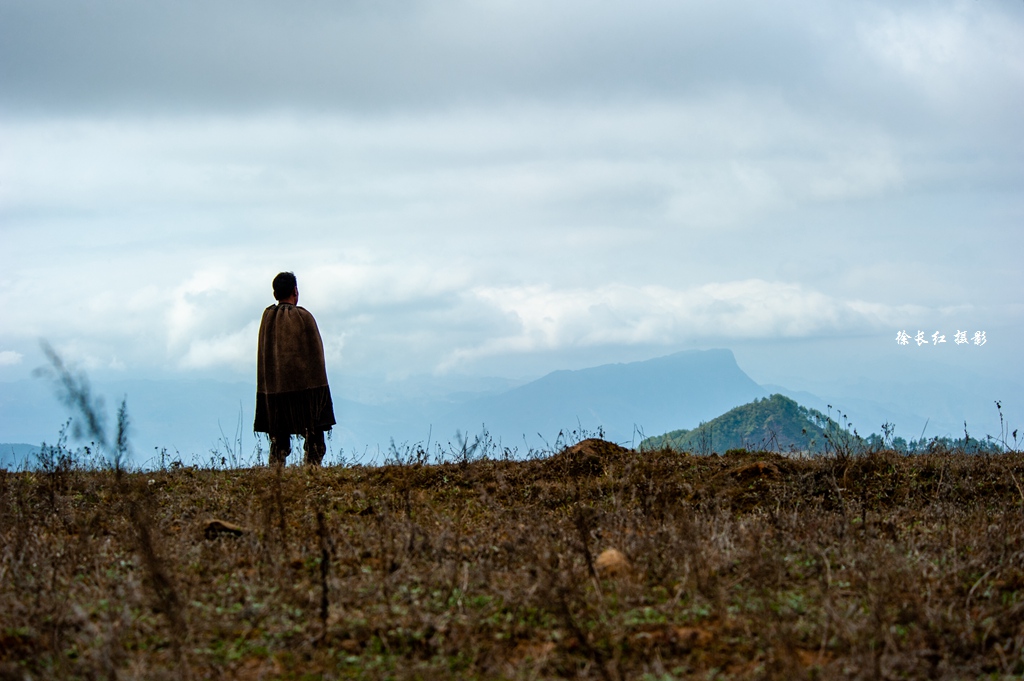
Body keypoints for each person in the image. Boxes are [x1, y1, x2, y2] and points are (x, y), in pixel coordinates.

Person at [254, 272, 336, 466]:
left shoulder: (268, 318)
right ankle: (311, 471)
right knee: (316, 442)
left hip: (276, 394)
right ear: (295, 291)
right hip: (307, 395)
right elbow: (315, 358)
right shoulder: (304, 317)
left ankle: (276, 473)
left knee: (279, 444)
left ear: (275, 293)